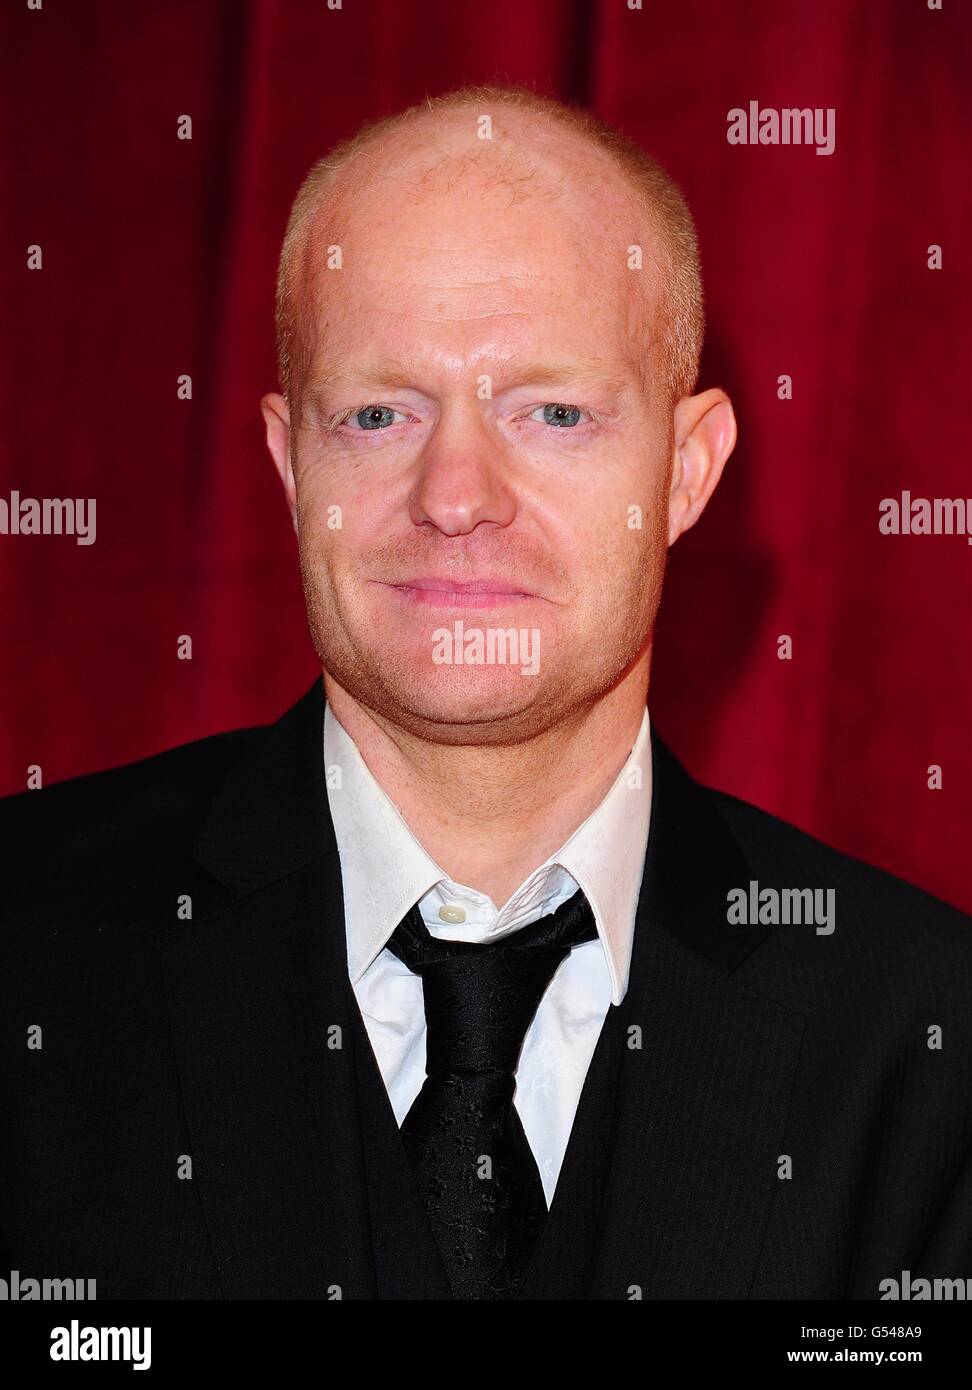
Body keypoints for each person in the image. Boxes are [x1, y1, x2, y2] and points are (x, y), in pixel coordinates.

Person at [2, 84, 969, 1301]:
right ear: (290, 464)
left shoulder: (930, 1046)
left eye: (552, 412)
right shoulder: (26, 947)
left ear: (688, 469)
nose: (456, 491)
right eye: (377, 412)